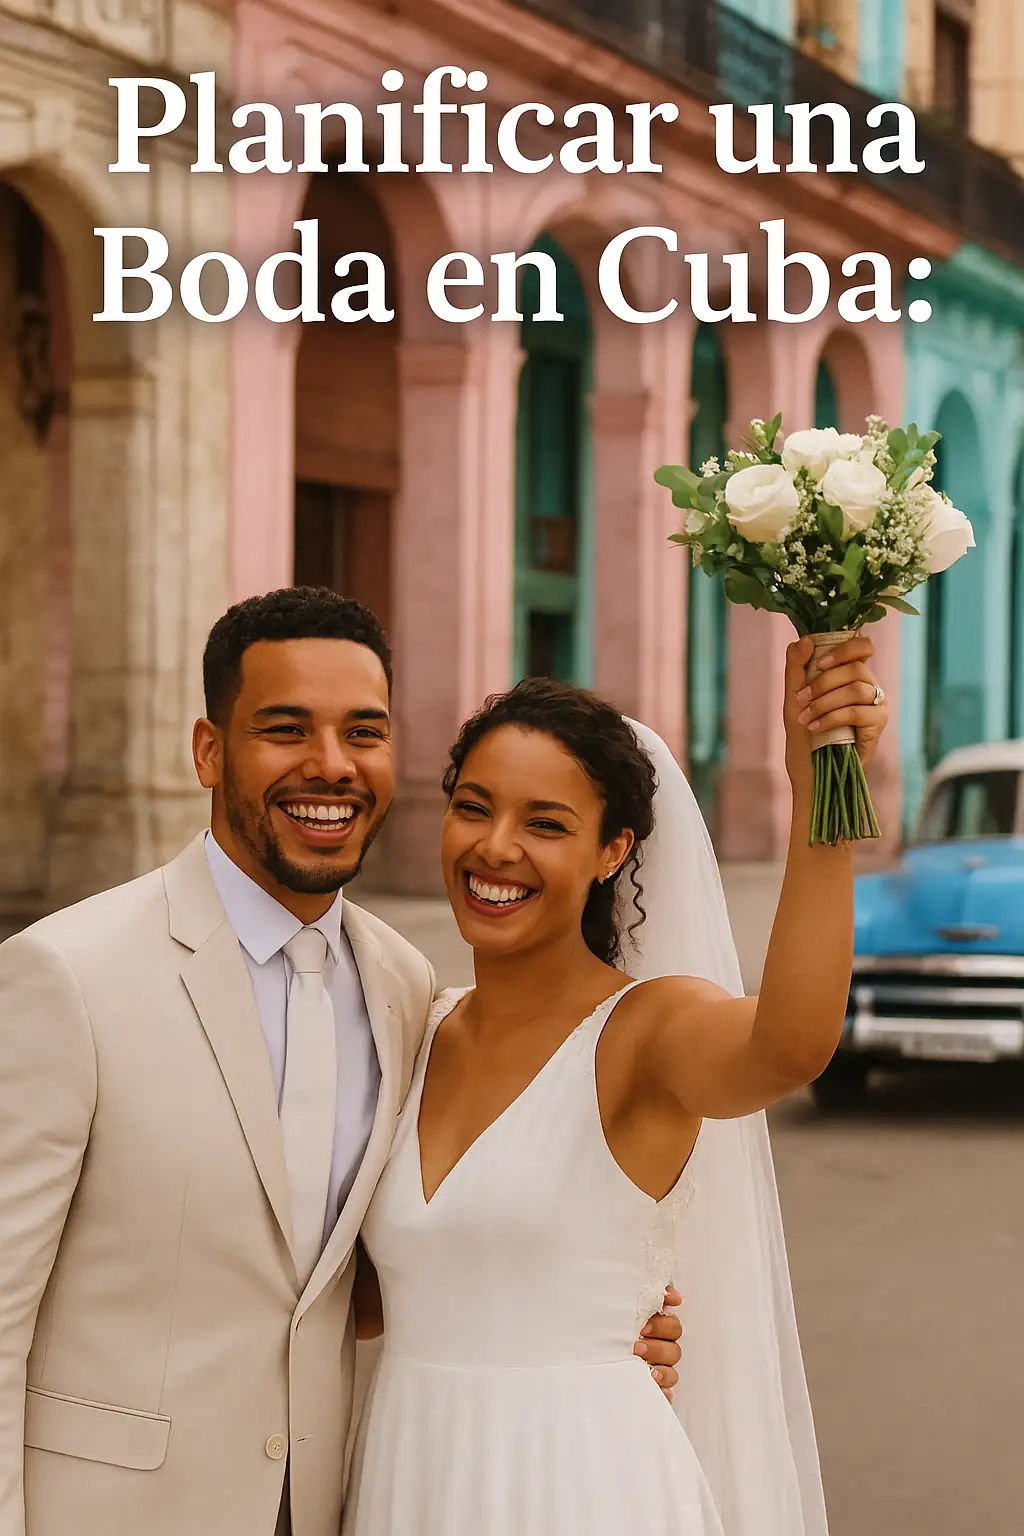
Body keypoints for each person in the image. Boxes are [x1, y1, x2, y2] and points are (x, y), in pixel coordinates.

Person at [0, 587, 681, 1536]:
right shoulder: (67, 974)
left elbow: (360, 1276)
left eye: (364, 732)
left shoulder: (405, 987)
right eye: (285, 729)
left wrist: (585, 1320)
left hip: (335, 1505)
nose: (332, 764)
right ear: (209, 751)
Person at [342, 634, 890, 1536]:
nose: (496, 848)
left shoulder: (645, 1033)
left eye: (547, 824)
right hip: (410, 1475)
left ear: (612, 851)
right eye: (473, 808)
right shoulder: (415, 1028)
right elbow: (362, 1297)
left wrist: (817, 793)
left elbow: (790, 1046)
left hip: (583, 1484)